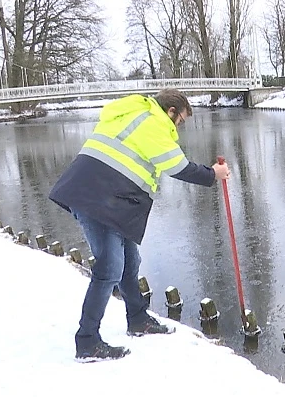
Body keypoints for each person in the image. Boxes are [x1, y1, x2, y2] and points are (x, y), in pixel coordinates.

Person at [49, 88, 230, 362]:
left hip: (109, 196)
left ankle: (137, 319)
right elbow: (176, 166)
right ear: (170, 111)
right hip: (99, 197)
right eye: (179, 120)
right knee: (110, 269)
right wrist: (212, 174)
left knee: (130, 261)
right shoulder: (152, 122)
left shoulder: (133, 113)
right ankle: (87, 342)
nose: (179, 127)